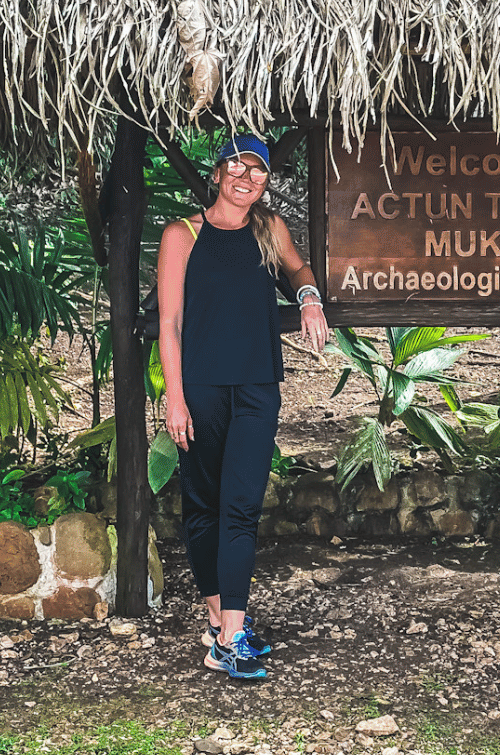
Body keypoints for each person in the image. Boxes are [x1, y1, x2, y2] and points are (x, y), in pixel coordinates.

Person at [156, 135, 330, 682]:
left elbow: (299, 270)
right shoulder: (182, 236)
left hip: (258, 388)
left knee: (241, 507)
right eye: (237, 166)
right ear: (217, 173)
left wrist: (307, 297)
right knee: (203, 505)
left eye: (256, 171)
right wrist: (175, 397)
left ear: (265, 182)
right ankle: (217, 620)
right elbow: (170, 325)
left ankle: (231, 634)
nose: (246, 177)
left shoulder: (269, 230)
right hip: (201, 390)